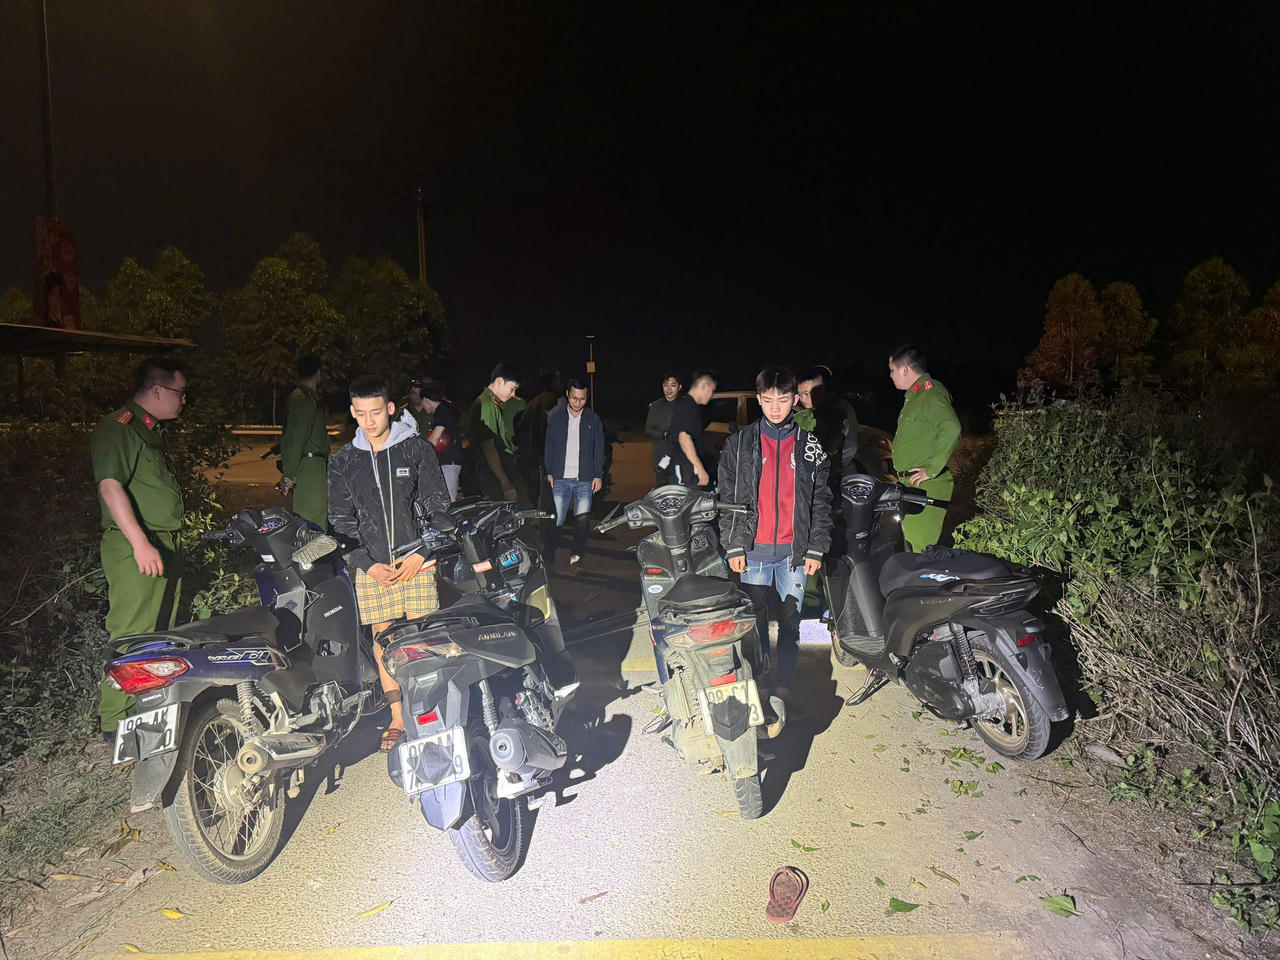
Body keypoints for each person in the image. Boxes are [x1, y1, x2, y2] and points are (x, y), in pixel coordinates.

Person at [328, 375, 451, 752]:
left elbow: (438, 506)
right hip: (373, 566)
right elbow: (340, 521)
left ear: (391, 409)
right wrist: (365, 563)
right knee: (383, 638)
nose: (369, 421)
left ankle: (428, 709)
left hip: (417, 560)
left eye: (376, 412)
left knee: (422, 636)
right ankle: (398, 715)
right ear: (353, 412)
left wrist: (422, 552)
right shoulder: (344, 461)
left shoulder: (415, 450)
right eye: (361, 413)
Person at [717, 366, 833, 701]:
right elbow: (728, 498)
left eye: (783, 400)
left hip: (793, 552)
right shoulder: (739, 444)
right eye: (768, 400)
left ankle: (783, 687)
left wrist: (815, 547)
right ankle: (760, 684)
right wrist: (734, 546)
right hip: (752, 550)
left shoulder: (810, 446)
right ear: (759, 400)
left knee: (790, 622)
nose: (775, 408)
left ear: (795, 400)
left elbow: (821, 499)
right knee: (753, 623)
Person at [91, 357, 188, 735]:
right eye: (180, 393)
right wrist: (140, 543)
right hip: (138, 547)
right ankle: (115, 723)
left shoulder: (148, 430)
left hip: (163, 543)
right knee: (131, 635)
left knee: (160, 635)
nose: (183, 400)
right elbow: (109, 486)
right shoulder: (119, 428)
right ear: (158, 390)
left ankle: (147, 713)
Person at [888, 344, 961, 552]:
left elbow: (951, 427)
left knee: (920, 552)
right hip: (911, 484)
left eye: (892, 370)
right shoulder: (915, 397)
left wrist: (931, 469)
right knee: (912, 549)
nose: (891, 376)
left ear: (904, 370)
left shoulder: (931, 393)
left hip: (925, 485)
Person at [543, 377, 604, 565]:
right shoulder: (557, 418)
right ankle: (549, 551)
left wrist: (598, 475)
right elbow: (549, 446)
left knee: (582, 521)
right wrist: (549, 471)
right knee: (557, 518)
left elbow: (598, 449)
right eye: (574, 398)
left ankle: (577, 553)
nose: (578, 402)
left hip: (584, 479)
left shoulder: (593, 419)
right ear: (567, 395)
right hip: (560, 478)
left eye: (582, 399)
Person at [278, 354, 329, 528]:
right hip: (310, 468)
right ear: (318, 372)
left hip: (314, 465)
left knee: (316, 518)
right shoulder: (304, 401)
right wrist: (288, 474)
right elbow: (295, 440)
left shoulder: (306, 398)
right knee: (312, 523)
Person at [468, 363, 525, 503]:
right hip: (497, 471)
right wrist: (505, 482)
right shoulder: (488, 405)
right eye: (512, 389)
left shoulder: (489, 403)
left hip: (495, 470)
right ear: (500, 381)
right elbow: (488, 446)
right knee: (513, 510)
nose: (513, 395)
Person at [795, 365, 858, 463]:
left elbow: (850, 446)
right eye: (800, 394)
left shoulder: (841, 411)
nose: (803, 398)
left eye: (807, 393)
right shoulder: (798, 412)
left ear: (824, 389)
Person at [414, 382, 464, 501]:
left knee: (447, 498)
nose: (423, 407)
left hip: (448, 460)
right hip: (451, 460)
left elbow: (435, 438)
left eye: (422, 403)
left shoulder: (442, 411)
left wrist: (420, 456)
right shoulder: (447, 408)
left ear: (426, 400)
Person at [669, 370, 717, 488]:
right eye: (712, 390)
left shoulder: (689, 405)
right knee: (687, 499)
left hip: (687, 469)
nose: (712, 395)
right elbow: (684, 438)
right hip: (686, 470)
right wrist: (700, 469)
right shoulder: (687, 406)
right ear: (703, 386)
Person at [644, 370, 682, 487]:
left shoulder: (685, 405)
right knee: (663, 489)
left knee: (679, 489)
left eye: (673, 385)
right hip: (661, 456)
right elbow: (648, 429)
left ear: (679, 387)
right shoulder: (656, 406)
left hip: (680, 456)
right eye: (666, 385)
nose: (669, 389)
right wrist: (664, 434)